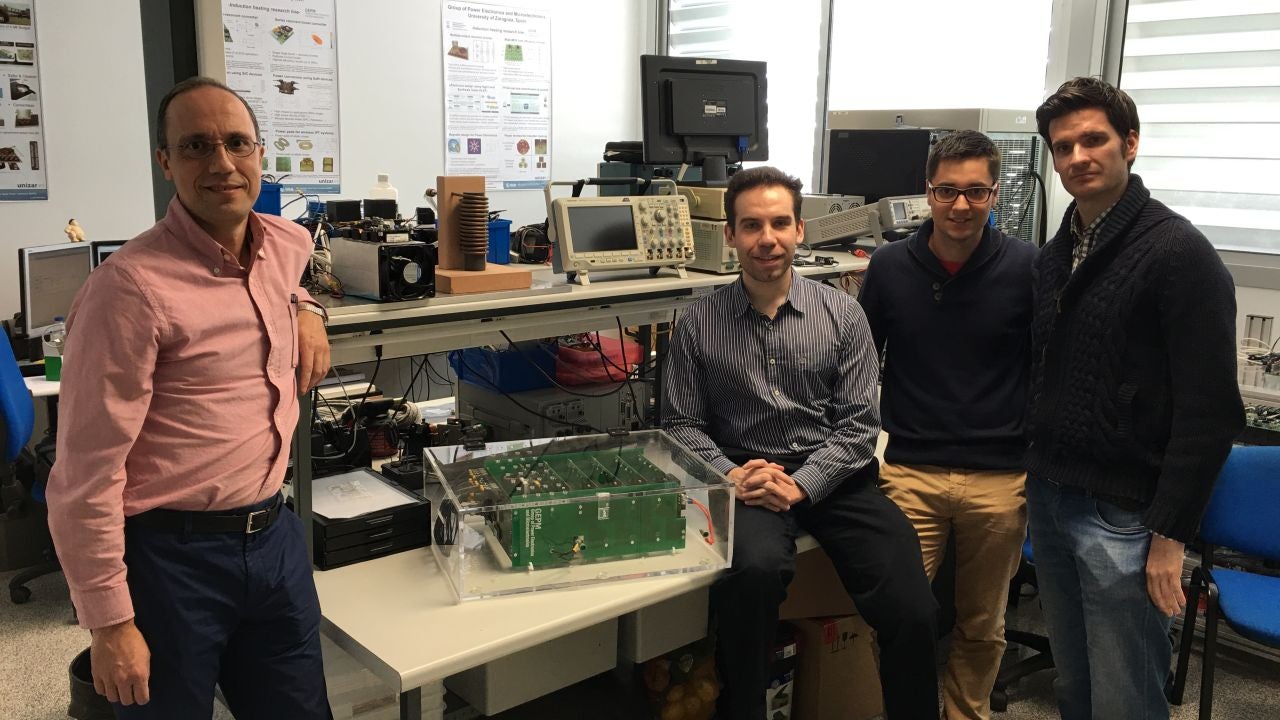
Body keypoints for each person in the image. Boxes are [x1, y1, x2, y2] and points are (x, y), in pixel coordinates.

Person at [46, 76, 334, 719]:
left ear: (260, 153)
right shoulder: (127, 290)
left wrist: (310, 311)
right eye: (198, 146)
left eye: (237, 143)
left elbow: (288, 285)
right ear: (166, 162)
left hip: (274, 540)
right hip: (169, 560)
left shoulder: (286, 244)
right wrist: (110, 623)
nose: (223, 163)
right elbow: (84, 473)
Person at [662, 166, 939, 719]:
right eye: (751, 225)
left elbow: (859, 426)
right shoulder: (696, 323)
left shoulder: (843, 314)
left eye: (779, 223)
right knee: (752, 579)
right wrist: (732, 474)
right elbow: (680, 425)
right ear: (731, 234)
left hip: (835, 476)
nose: (766, 239)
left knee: (913, 609)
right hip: (747, 479)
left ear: (799, 230)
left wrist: (803, 484)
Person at [1026, 76, 1244, 720]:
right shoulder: (1058, 252)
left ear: (1130, 143)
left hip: (1125, 517)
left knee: (1126, 697)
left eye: (1093, 140)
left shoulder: (1178, 253)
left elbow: (1211, 416)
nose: (1077, 158)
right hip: (1051, 496)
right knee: (1074, 686)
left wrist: (1171, 536)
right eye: (1062, 147)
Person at [857, 130, 1037, 720]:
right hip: (911, 471)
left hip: (999, 477)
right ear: (928, 192)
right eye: (947, 191)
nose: (961, 205)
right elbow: (859, 364)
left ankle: (968, 713)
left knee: (983, 624)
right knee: (899, 616)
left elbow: (1046, 367)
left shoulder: (1028, 267)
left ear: (995, 195)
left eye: (976, 191)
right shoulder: (889, 266)